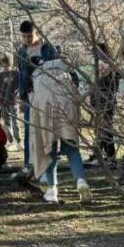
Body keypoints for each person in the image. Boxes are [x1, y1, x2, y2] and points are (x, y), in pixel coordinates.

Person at [29, 56, 92, 204]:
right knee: (71, 146)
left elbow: (29, 92)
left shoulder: (36, 72)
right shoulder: (64, 66)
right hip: (67, 103)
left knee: (48, 148)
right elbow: (76, 84)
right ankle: (80, 180)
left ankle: (52, 190)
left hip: (45, 106)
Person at [15, 20, 58, 174]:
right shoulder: (20, 52)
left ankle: (48, 166)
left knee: (47, 130)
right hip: (29, 97)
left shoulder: (49, 50)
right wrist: (21, 97)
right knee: (28, 131)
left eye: (29, 36)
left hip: (47, 96)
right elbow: (21, 75)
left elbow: (56, 73)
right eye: (24, 37)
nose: (27, 39)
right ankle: (28, 164)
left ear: (37, 33)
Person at [87, 42, 120, 167]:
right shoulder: (100, 68)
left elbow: (115, 77)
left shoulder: (110, 68)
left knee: (105, 131)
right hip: (98, 104)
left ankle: (108, 158)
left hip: (106, 104)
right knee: (101, 131)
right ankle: (101, 156)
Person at [0, 53, 19, 142]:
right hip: (2, 101)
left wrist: (16, 97)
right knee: (6, 121)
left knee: (15, 121)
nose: (4, 65)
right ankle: (11, 139)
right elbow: (0, 87)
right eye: (3, 63)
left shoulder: (15, 74)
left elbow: (17, 88)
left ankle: (18, 140)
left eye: (6, 63)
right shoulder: (1, 75)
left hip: (13, 101)